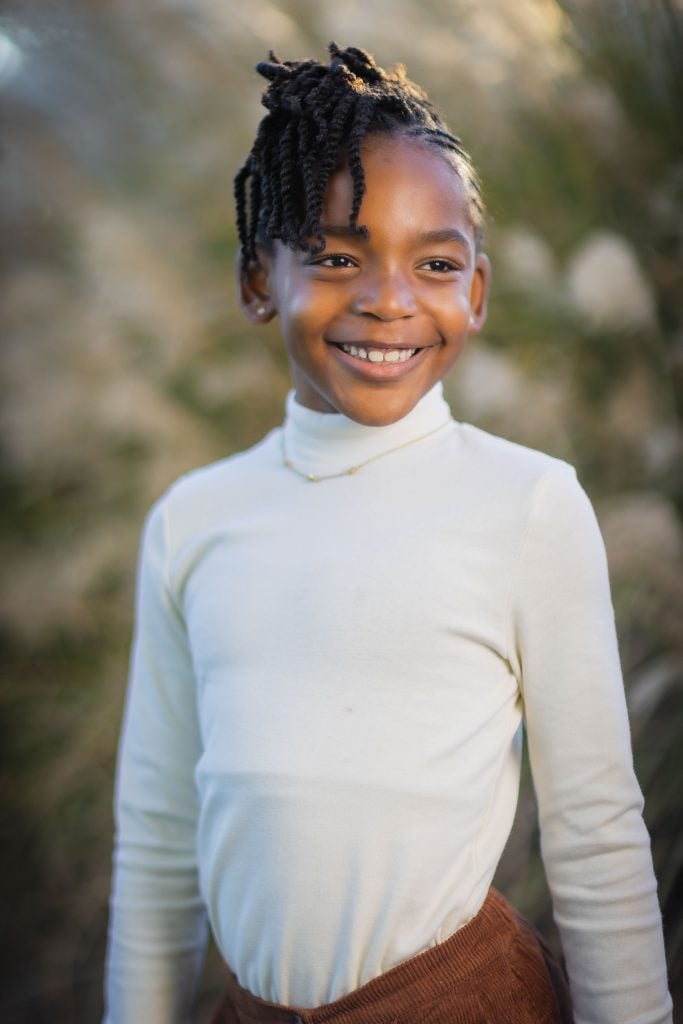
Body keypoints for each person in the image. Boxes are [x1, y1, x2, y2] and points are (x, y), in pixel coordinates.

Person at [103, 43, 673, 1024]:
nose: (389, 297)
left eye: (435, 262)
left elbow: (592, 832)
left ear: (477, 294)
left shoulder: (526, 504)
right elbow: (156, 835)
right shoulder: (193, 523)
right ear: (255, 279)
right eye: (335, 254)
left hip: (459, 1002)